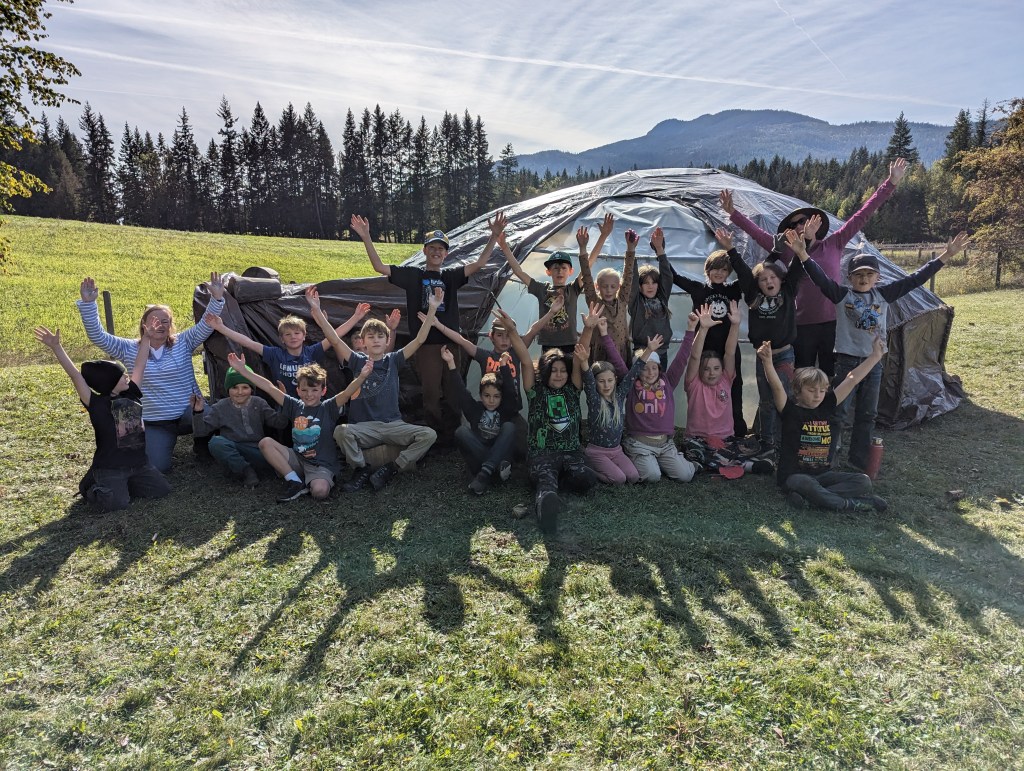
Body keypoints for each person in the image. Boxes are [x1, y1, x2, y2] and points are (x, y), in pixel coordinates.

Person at [792, 226, 970, 470]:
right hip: (846, 362)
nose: (864, 278)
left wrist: (946, 256)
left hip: (873, 364)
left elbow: (915, 279)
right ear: (849, 278)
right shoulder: (841, 295)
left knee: (867, 415)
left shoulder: (884, 295)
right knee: (838, 412)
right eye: (858, 274)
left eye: (869, 274)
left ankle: (857, 464)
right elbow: (820, 278)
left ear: (877, 277)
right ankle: (827, 460)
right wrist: (803, 254)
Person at [720, 157, 909, 376]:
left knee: (831, 375)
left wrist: (890, 183)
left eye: (804, 220)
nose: (799, 225)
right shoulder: (789, 250)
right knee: (803, 375)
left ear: (815, 222)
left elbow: (862, 216)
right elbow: (758, 235)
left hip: (834, 322)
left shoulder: (835, 243)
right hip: (802, 325)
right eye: (794, 224)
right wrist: (733, 213)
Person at [351, 212, 505, 446]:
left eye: (441, 249)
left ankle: (454, 436)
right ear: (424, 250)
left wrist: (493, 237)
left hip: (451, 343)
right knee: (431, 393)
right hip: (424, 345)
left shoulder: (451, 276)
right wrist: (366, 236)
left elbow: (480, 264)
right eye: (432, 247)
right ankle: (433, 437)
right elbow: (378, 266)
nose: (436, 252)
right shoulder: (413, 275)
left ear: (446, 253)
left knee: (453, 391)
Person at [76, 273, 226, 473]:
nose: (160, 325)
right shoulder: (128, 348)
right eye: (155, 321)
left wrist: (216, 298)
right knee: (158, 466)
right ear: (144, 325)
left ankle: (202, 444)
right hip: (154, 422)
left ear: (171, 325)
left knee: (213, 417)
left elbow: (206, 324)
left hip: (189, 413)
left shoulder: (183, 342)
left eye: (165, 321)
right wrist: (88, 304)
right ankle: (157, 442)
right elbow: (98, 336)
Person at [34, 325, 170, 511]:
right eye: (122, 375)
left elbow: (140, 365)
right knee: (117, 504)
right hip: (110, 467)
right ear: (110, 382)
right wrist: (56, 347)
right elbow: (75, 376)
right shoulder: (97, 404)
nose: (127, 376)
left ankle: (123, 486)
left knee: (162, 490)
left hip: (139, 464)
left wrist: (146, 338)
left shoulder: (131, 393)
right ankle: (91, 485)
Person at [330, 286, 443, 492]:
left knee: (429, 434)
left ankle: (392, 468)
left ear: (387, 340)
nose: (376, 340)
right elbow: (335, 339)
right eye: (371, 336)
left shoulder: (394, 359)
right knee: (341, 431)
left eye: (380, 336)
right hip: (364, 428)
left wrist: (433, 308)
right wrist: (317, 312)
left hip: (393, 425)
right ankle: (361, 469)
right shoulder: (357, 361)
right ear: (363, 342)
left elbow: (419, 340)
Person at [759, 337, 889, 512]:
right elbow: (776, 387)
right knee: (804, 483)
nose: (817, 395)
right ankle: (849, 504)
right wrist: (767, 362)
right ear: (797, 391)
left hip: (823, 475)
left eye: (822, 391)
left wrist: (875, 356)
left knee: (863, 481)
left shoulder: (827, 405)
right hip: (794, 476)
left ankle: (811, 499)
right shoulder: (789, 410)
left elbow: (852, 379)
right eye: (811, 390)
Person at [499, 307, 595, 534]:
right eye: (554, 371)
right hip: (542, 454)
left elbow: (580, 354)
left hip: (571, 452)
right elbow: (524, 359)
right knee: (545, 480)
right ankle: (547, 506)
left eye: (563, 370)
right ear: (545, 371)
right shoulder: (536, 391)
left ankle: (561, 482)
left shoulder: (573, 389)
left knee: (587, 478)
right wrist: (511, 331)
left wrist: (589, 329)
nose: (559, 375)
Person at [228, 352, 371, 502]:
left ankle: (311, 481)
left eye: (314, 390)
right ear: (298, 390)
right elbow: (269, 387)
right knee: (265, 443)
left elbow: (347, 393)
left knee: (320, 492)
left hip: (320, 465)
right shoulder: (294, 405)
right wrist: (243, 371)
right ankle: (294, 480)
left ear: (323, 391)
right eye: (304, 390)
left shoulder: (328, 408)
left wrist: (362, 376)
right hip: (297, 459)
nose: (309, 394)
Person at [205, 302, 397, 397]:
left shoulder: (312, 352)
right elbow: (247, 342)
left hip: (313, 402)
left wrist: (356, 317)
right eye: (288, 334)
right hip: (286, 402)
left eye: (297, 333)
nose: (293, 337)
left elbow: (335, 337)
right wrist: (221, 328)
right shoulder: (275, 354)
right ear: (282, 339)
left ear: (304, 336)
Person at [727, 228, 805, 455]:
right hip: (763, 355)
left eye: (773, 278)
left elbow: (797, 270)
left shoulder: (788, 291)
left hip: (784, 355)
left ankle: (783, 441)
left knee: (784, 398)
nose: (769, 281)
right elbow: (744, 273)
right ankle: (767, 442)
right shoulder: (754, 297)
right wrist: (731, 250)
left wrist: (802, 247)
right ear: (758, 284)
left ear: (780, 280)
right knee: (766, 400)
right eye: (763, 279)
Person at [670, 228, 748, 438]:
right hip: (704, 349)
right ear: (708, 269)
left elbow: (748, 276)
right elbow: (674, 277)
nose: (719, 273)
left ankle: (735, 432)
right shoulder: (700, 289)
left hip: (728, 348)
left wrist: (732, 250)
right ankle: (701, 430)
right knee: (699, 389)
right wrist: (660, 252)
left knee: (734, 387)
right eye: (715, 269)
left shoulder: (733, 289)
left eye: (724, 269)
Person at [578, 309, 662, 486]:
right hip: (597, 452)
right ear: (596, 383)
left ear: (615, 380)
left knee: (633, 477)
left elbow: (633, 374)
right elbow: (588, 379)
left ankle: (608, 466)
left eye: (610, 381)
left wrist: (649, 350)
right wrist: (584, 361)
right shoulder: (594, 400)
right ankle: (589, 466)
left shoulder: (619, 395)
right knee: (619, 479)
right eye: (601, 381)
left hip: (616, 451)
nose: (606, 385)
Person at [622, 308, 701, 484]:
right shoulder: (631, 386)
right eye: (644, 368)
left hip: (665, 445)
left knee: (685, 476)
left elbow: (682, 358)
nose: (650, 372)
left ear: (659, 369)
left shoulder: (667, 382)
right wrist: (605, 335)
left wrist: (690, 329)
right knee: (653, 476)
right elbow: (618, 363)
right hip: (639, 444)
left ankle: (680, 462)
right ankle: (637, 457)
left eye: (654, 368)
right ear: (637, 370)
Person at [502, 222, 596, 358]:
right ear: (548, 272)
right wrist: (504, 247)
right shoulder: (542, 289)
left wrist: (584, 246)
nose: (559, 271)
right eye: (555, 268)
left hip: (570, 344)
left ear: (570, 271)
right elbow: (519, 272)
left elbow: (588, 265)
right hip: (548, 345)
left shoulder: (573, 288)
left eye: (563, 268)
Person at [190, 364, 286, 487]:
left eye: (245, 387)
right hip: (233, 450)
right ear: (228, 389)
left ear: (252, 389)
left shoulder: (259, 403)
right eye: (234, 387)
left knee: (269, 452)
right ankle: (246, 471)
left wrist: (282, 402)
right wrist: (198, 412)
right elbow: (201, 432)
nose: (240, 392)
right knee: (216, 443)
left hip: (257, 450)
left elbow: (280, 423)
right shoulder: (220, 407)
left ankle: (258, 468)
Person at [443, 345, 519, 495]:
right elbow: (461, 391)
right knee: (461, 431)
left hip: (499, 453)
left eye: (496, 396)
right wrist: (451, 363)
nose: (491, 400)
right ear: (480, 395)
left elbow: (511, 391)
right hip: (481, 455)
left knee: (509, 427)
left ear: (501, 397)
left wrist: (503, 366)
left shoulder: (505, 409)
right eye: (487, 396)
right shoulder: (475, 409)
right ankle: (491, 471)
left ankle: (485, 474)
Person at [576, 214, 635, 364]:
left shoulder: (622, 300)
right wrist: (582, 248)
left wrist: (630, 249)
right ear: (598, 287)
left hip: (621, 353)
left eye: (613, 286)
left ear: (618, 287)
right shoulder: (595, 302)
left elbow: (628, 275)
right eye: (604, 286)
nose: (609, 290)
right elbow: (586, 276)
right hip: (599, 354)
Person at [629, 227, 673, 362]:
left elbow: (667, 275)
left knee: (660, 377)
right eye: (646, 283)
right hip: (641, 351)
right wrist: (631, 250)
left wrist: (659, 249)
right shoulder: (636, 302)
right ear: (639, 286)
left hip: (661, 351)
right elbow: (631, 277)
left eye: (654, 282)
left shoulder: (662, 298)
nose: (650, 286)